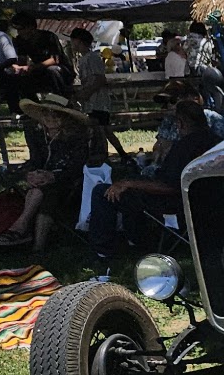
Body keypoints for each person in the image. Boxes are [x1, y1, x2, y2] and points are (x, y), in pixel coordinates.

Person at [90, 100, 217, 263]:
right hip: (207, 202)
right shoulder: (218, 142)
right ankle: (136, 238)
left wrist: (129, 184)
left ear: (180, 123)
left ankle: (103, 250)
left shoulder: (183, 147)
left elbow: (169, 186)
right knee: (134, 184)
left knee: (103, 191)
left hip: (176, 203)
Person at [0, 93, 91, 248]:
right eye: (46, 113)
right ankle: (32, 240)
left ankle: (23, 233)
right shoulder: (36, 134)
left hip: (71, 182)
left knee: (47, 194)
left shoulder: (77, 138)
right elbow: (35, 161)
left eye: (55, 115)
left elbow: (77, 167)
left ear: (65, 118)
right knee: (39, 190)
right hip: (43, 181)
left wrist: (53, 176)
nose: (50, 118)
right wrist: (30, 174)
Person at [150, 80, 224, 166]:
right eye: (166, 103)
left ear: (193, 97)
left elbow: (222, 146)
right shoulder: (168, 121)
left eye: (173, 100)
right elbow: (158, 147)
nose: (169, 106)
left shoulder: (212, 118)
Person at [8, 12, 72, 101]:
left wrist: (31, 67)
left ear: (31, 27)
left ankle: (62, 101)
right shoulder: (20, 40)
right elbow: (22, 59)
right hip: (39, 70)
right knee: (17, 78)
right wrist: (18, 68)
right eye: (17, 30)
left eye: (21, 29)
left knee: (52, 70)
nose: (19, 32)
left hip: (61, 70)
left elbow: (55, 59)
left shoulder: (49, 37)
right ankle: (30, 105)